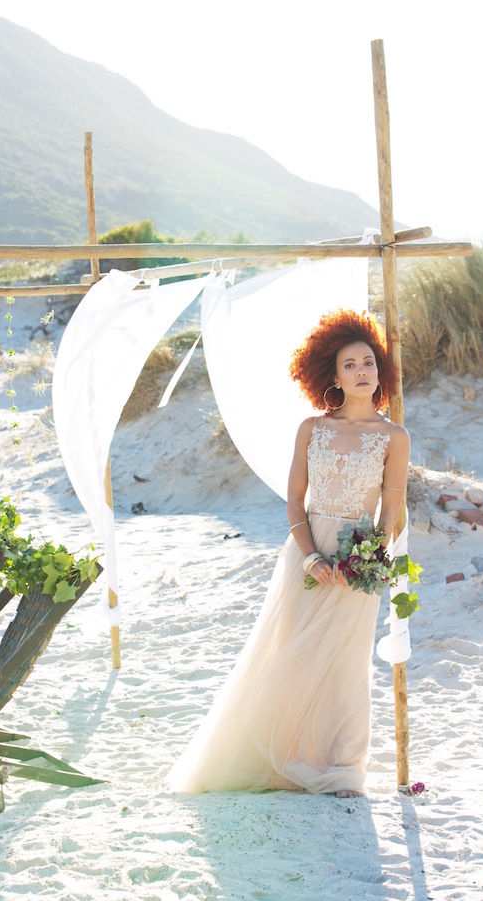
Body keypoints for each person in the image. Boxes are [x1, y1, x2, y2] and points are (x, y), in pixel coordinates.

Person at [167, 309, 410, 798]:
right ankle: (284, 758)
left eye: (368, 362)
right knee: (290, 654)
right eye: (350, 365)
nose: (362, 371)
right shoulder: (311, 429)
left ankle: (342, 769)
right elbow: (295, 501)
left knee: (347, 663)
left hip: (358, 561)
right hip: (306, 554)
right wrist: (310, 558)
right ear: (332, 376)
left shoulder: (394, 437)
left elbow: (392, 510)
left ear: (380, 370)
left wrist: (369, 557)